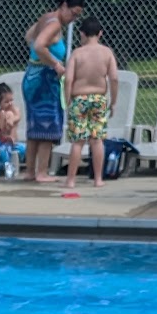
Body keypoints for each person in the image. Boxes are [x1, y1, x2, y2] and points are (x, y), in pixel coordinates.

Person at [23, 0, 86, 184]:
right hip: (44, 81)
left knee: (34, 127)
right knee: (47, 126)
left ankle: (30, 171)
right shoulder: (55, 24)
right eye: (73, 13)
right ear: (64, 5)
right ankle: (42, 172)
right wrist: (56, 65)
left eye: (77, 16)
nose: (73, 19)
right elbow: (39, 45)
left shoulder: (46, 17)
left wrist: (41, 57)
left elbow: (29, 36)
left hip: (31, 76)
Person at [62, 18, 119, 188]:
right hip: (99, 99)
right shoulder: (107, 53)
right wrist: (113, 101)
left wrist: (67, 100)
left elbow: (68, 79)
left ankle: (71, 180)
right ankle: (98, 179)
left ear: (82, 33)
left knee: (78, 141)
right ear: (100, 33)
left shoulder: (77, 53)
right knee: (97, 140)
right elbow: (114, 78)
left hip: (79, 98)